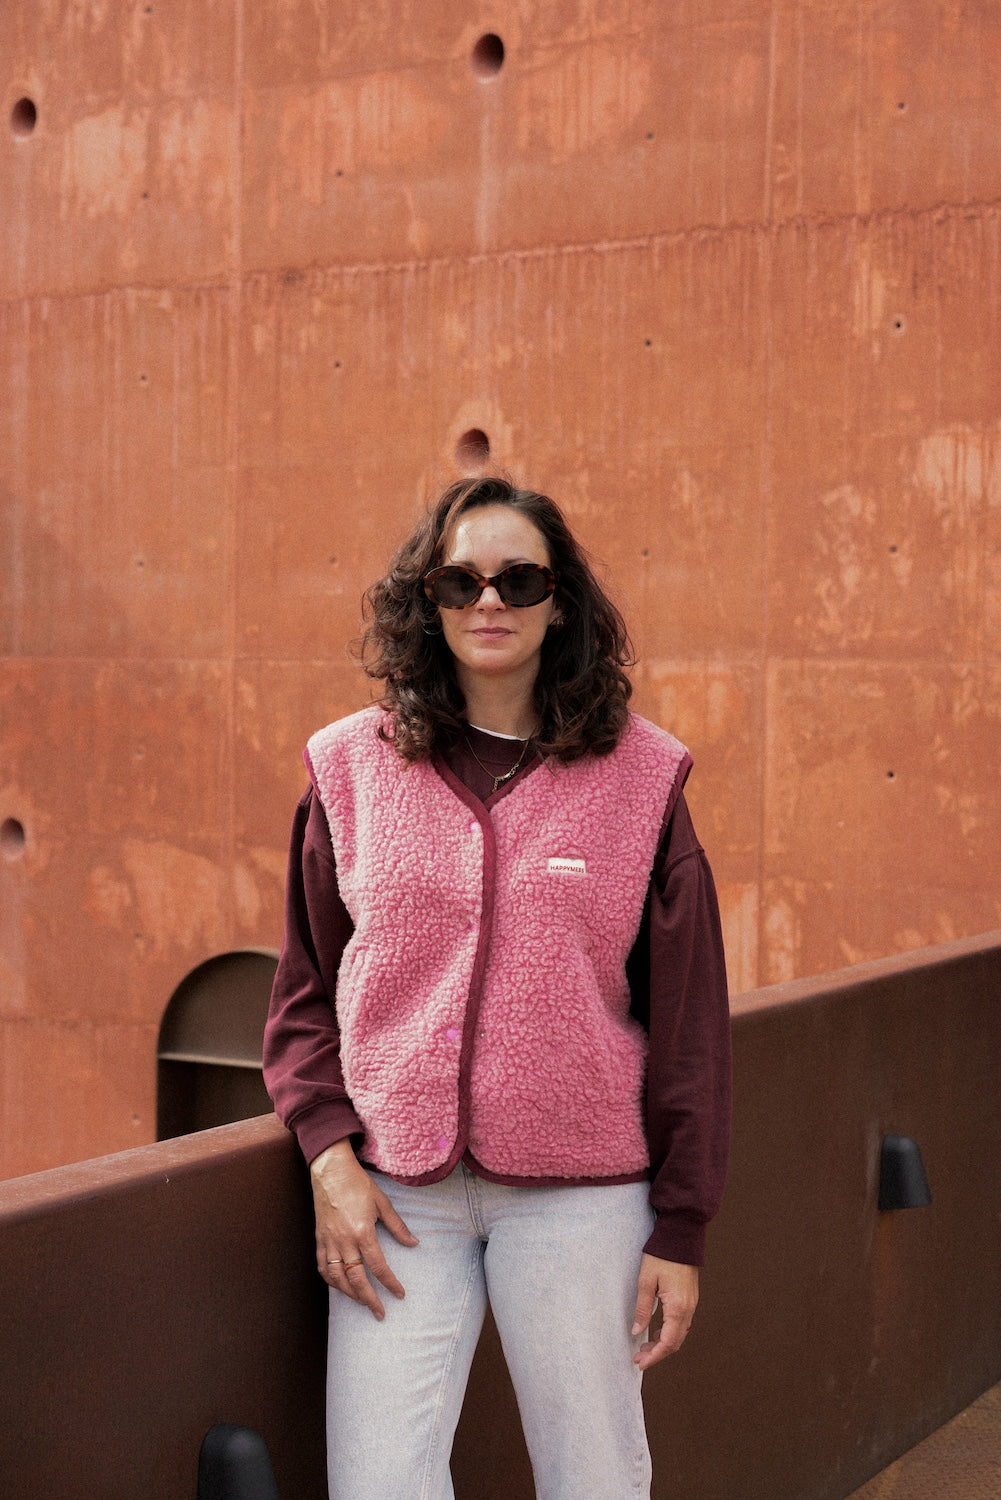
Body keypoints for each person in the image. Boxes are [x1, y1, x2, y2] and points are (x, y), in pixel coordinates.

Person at [263, 475, 731, 1500]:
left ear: (559, 602)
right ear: (423, 601)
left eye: (520, 580)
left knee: (594, 1478)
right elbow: (303, 991)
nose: (489, 602)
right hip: (393, 1201)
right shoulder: (348, 769)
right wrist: (327, 1157)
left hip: (582, 1201)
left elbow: (689, 1025)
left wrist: (681, 1226)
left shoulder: (641, 778)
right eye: (458, 580)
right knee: (379, 1481)